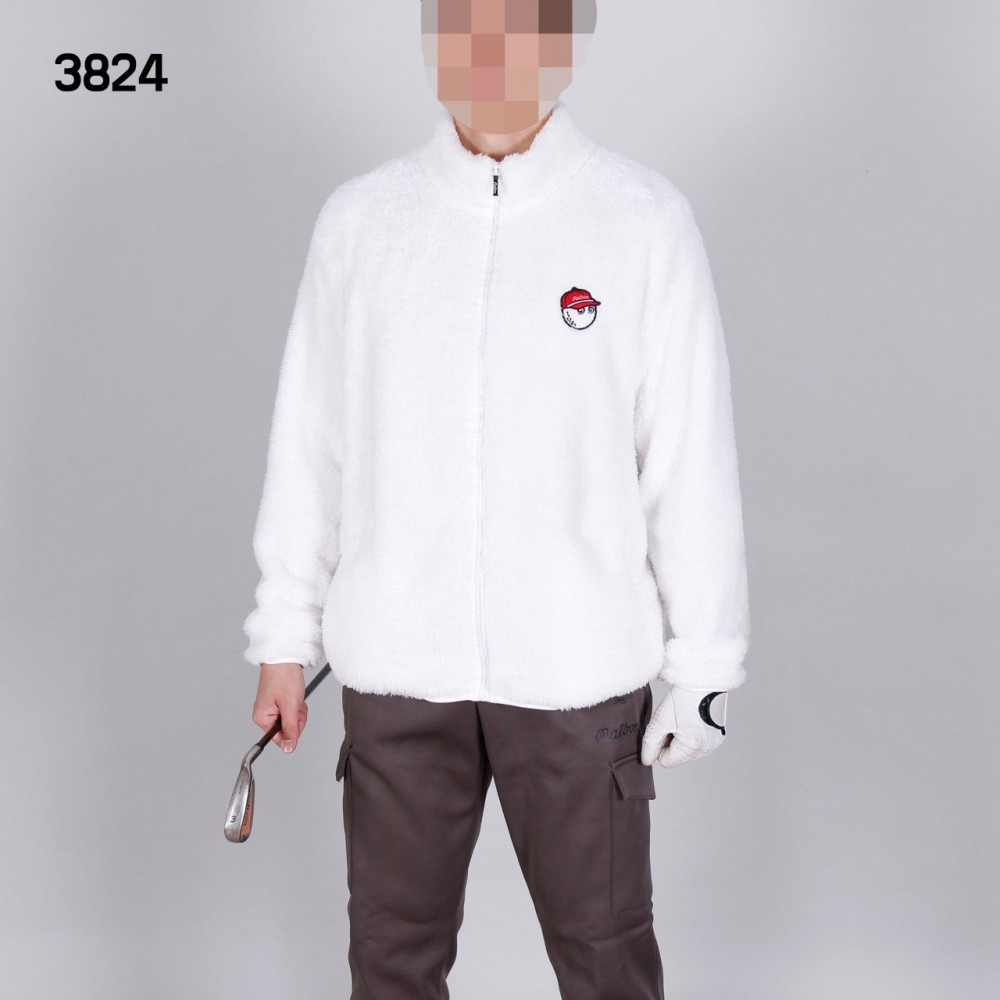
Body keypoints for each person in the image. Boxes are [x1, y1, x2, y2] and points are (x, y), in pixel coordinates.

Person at [242, 2, 750, 997]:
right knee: (390, 962)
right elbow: (311, 443)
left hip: (577, 669)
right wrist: (282, 636)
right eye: (463, 29)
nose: (488, 59)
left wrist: (705, 662)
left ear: (565, 46)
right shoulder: (364, 221)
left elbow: (688, 457)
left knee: (604, 960)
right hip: (397, 666)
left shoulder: (640, 220)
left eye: (519, 31)